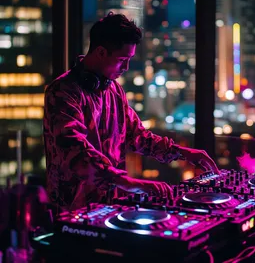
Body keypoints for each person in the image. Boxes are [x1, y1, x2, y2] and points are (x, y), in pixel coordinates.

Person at [43, 12, 219, 211]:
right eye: (122, 59)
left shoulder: (114, 90)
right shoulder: (62, 92)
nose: (126, 67)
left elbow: (138, 137)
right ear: (100, 52)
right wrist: (130, 182)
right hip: (73, 210)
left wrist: (183, 152)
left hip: (111, 205)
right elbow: (74, 151)